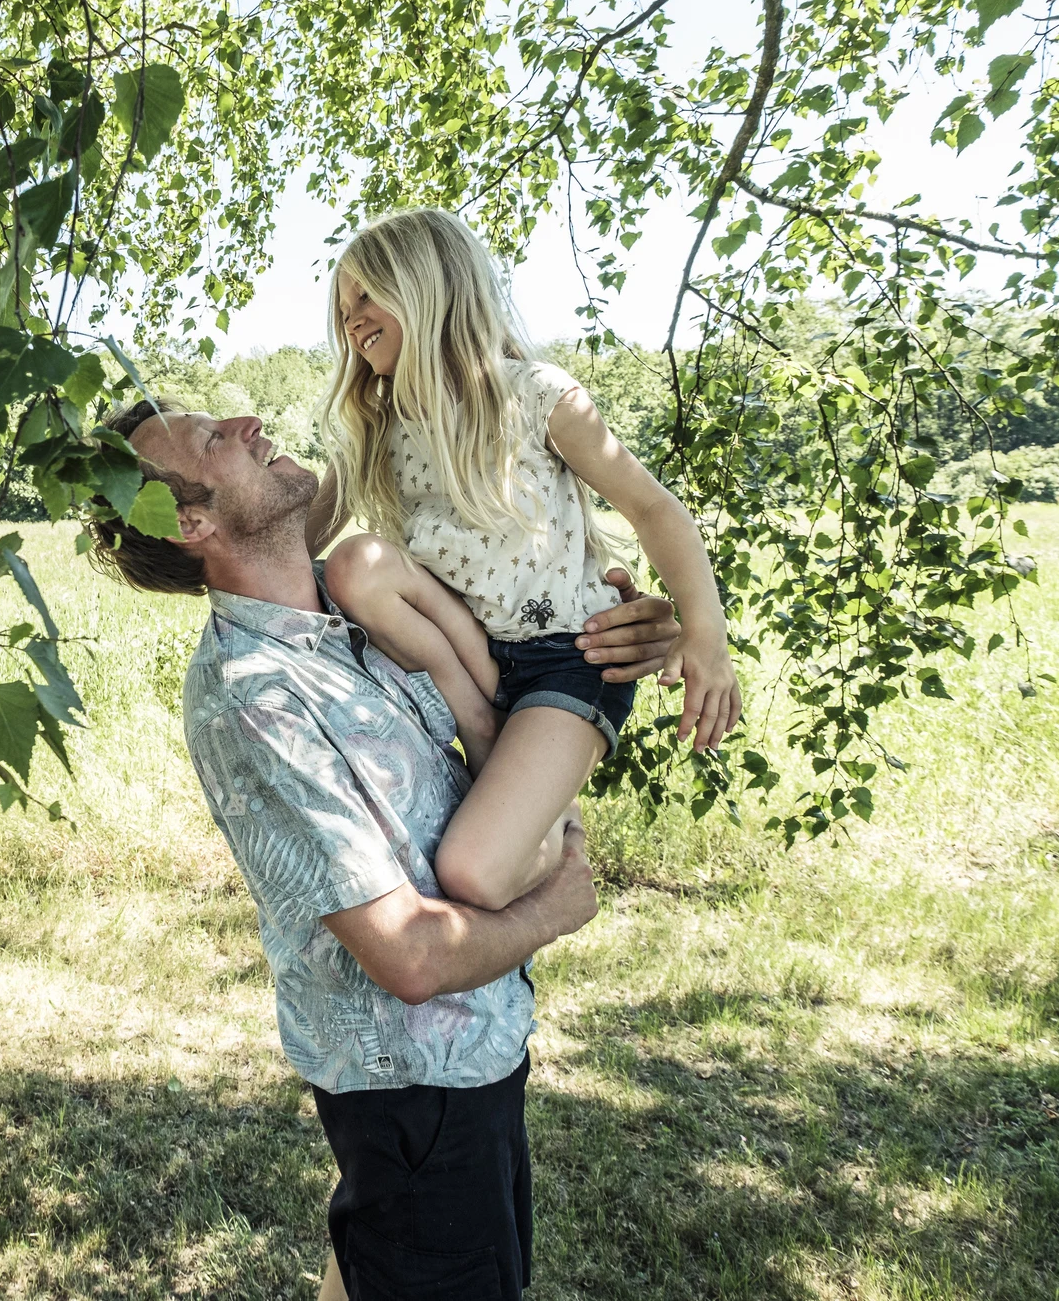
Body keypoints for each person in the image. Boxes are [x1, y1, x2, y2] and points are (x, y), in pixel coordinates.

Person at [85, 399, 680, 1300]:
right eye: (214, 439)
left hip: (476, 1047)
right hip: (415, 1090)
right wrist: (551, 908)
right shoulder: (254, 698)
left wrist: (627, 634)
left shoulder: (360, 605)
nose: (249, 420)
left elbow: (540, 650)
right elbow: (404, 956)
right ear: (190, 521)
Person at [312, 208, 742, 914]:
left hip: (571, 658)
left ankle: (559, 840)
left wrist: (705, 636)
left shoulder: (536, 395)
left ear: (429, 287)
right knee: (357, 561)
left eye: (365, 295)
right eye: (341, 305)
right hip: (471, 658)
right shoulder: (374, 428)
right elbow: (291, 545)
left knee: (474, 874)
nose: (350, 319)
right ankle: (481, 727)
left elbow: (654, 510)